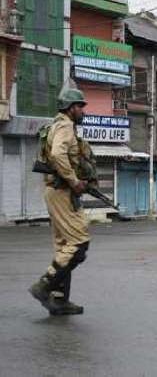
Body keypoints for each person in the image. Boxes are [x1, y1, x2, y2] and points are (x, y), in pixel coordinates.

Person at [28, 81, 91, 316]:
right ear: (70, 108)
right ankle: (44, 286)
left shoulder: (55, 125)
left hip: (55, 191)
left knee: (65, 246)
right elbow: (57, 154)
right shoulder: (65, 126)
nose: (83, 111)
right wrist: (74, 181)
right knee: (79, 244)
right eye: (80, 106)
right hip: (62, 191)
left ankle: (58, 300)